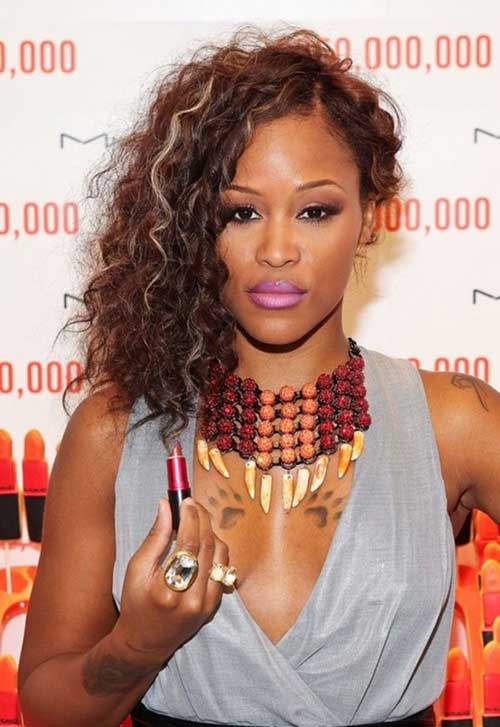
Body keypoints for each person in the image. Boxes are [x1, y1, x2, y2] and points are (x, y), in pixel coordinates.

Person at [17, 24, 500, 727]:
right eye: (240, 212)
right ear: (194, 225)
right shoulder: (115, 431)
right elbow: (48, 710)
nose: (277, 249)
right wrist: (139, 641)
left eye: (315, 211)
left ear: (370, 217)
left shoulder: (454, 422)